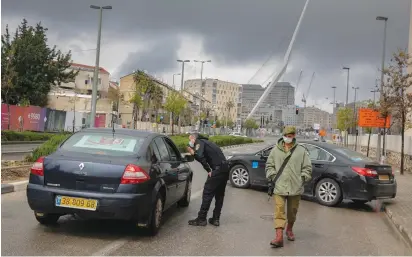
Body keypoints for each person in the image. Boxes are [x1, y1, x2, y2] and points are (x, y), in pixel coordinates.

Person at [266, 126, 312, 248]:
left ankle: (289, 229)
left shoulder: (301, 151)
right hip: (279, 186)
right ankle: (279, 237)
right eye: (286, 136)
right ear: (283, 136)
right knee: (279, 211)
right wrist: (272, 176)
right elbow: (269, 165)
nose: (288, 138)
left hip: (295, 188)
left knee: (292, 211)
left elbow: (307, 168)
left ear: (294, 136)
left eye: (290, 136)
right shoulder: (275, 150)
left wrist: (302, 178)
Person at [187, 132, 229, 227]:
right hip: (225, 169)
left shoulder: (199, 142)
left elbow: (199, 155)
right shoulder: (208, 143)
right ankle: (216, 219)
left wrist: (208, 169)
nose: (190, 142)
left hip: (217, 170)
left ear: (194, 138)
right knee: (220, 195)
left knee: (207, 193)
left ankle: (201, 219)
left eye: (190, 140)